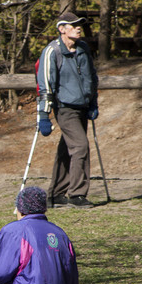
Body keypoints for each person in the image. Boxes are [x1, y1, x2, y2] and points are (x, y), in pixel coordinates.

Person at [36, 11, 99, 209]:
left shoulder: (83, 48)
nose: (79, 28)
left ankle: (55, 195)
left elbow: (91, 77)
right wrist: (43, 115)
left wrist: (93, 102)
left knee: (67, 150)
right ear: (62, 29)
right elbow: (46, 85)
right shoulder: (51, 51)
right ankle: (77, 194)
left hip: (82, 107)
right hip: (64, 108)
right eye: (73, 25)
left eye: (79, 24)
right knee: (80, 146)